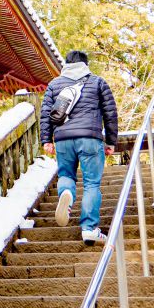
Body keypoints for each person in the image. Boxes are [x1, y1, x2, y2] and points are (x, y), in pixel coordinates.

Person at [40, 50, 119, 244]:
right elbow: (110, 113)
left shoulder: (54, 84)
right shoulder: (98, 82)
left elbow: (45, 114)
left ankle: (66, 194)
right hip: (90, 138)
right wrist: (110, 141)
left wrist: (46, 140)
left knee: (66, 175)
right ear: (85, 64)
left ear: (66, 64)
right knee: (91, 183)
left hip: (62, 139)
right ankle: (89, 228)